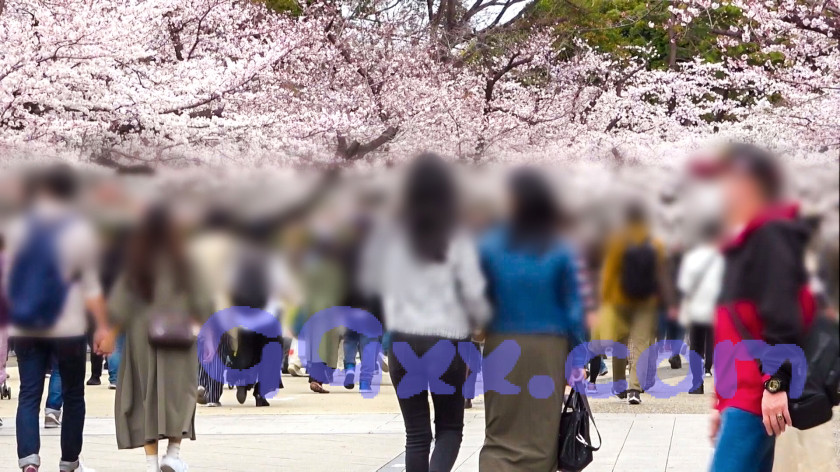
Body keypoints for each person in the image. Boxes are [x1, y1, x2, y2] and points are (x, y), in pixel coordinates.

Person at [360, 153, 490, 472]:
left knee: (416, 435)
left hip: (403, 340)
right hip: (447, 341)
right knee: (449, 429)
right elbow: (474, 290)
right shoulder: (457, 234)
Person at [709, 144, 813, 472]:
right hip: (742, 397)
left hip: (754, 395)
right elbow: (735, 325)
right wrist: (721, 403)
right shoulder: (751, 238)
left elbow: (783, 314)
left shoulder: (771, 233)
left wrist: (776, 382)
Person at [477, 168, 584, 472]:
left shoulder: (489, 244)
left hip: (500, 343)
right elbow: (574, 308)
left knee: (500, 428)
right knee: (541, 431)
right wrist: (578, 358)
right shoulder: (560, 246)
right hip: (547, 348)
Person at [4, 164, 109, 472]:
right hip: (68, 326)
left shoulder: (17, 226)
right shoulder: (79, 229)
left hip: (26, 324)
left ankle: (29, 460)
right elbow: (91, 285)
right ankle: (69, 461)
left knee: (29, 393)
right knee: (74, 394)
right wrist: (101, 325)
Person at [104, 204, 213, 472]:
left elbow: (120, 303)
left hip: (141, 337)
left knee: (145, 397)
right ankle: (173, 454)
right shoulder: (185, 260)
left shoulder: (136, 260)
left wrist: (109, 334)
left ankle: (151, 464)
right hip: (178, 335)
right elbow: (203, 300)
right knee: (180, 393)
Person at [597, 201, 674, 404]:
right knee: (641, 344)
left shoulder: (617, 240)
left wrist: (605, 298)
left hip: (620, 300)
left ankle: (619, 384)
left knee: (619, 342)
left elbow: (609, 272)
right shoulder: (655, 242)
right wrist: (667, 300)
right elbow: (661, 274)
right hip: (646, 301)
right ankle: (634, 389)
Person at [677, 221, 724, 394]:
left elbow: (684, 284)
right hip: (716, 307)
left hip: (696, 308)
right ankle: (719, 380)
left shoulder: (692, 258)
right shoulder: (723, 257)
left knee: (696, 345)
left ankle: (697, 383)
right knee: (716, 342)